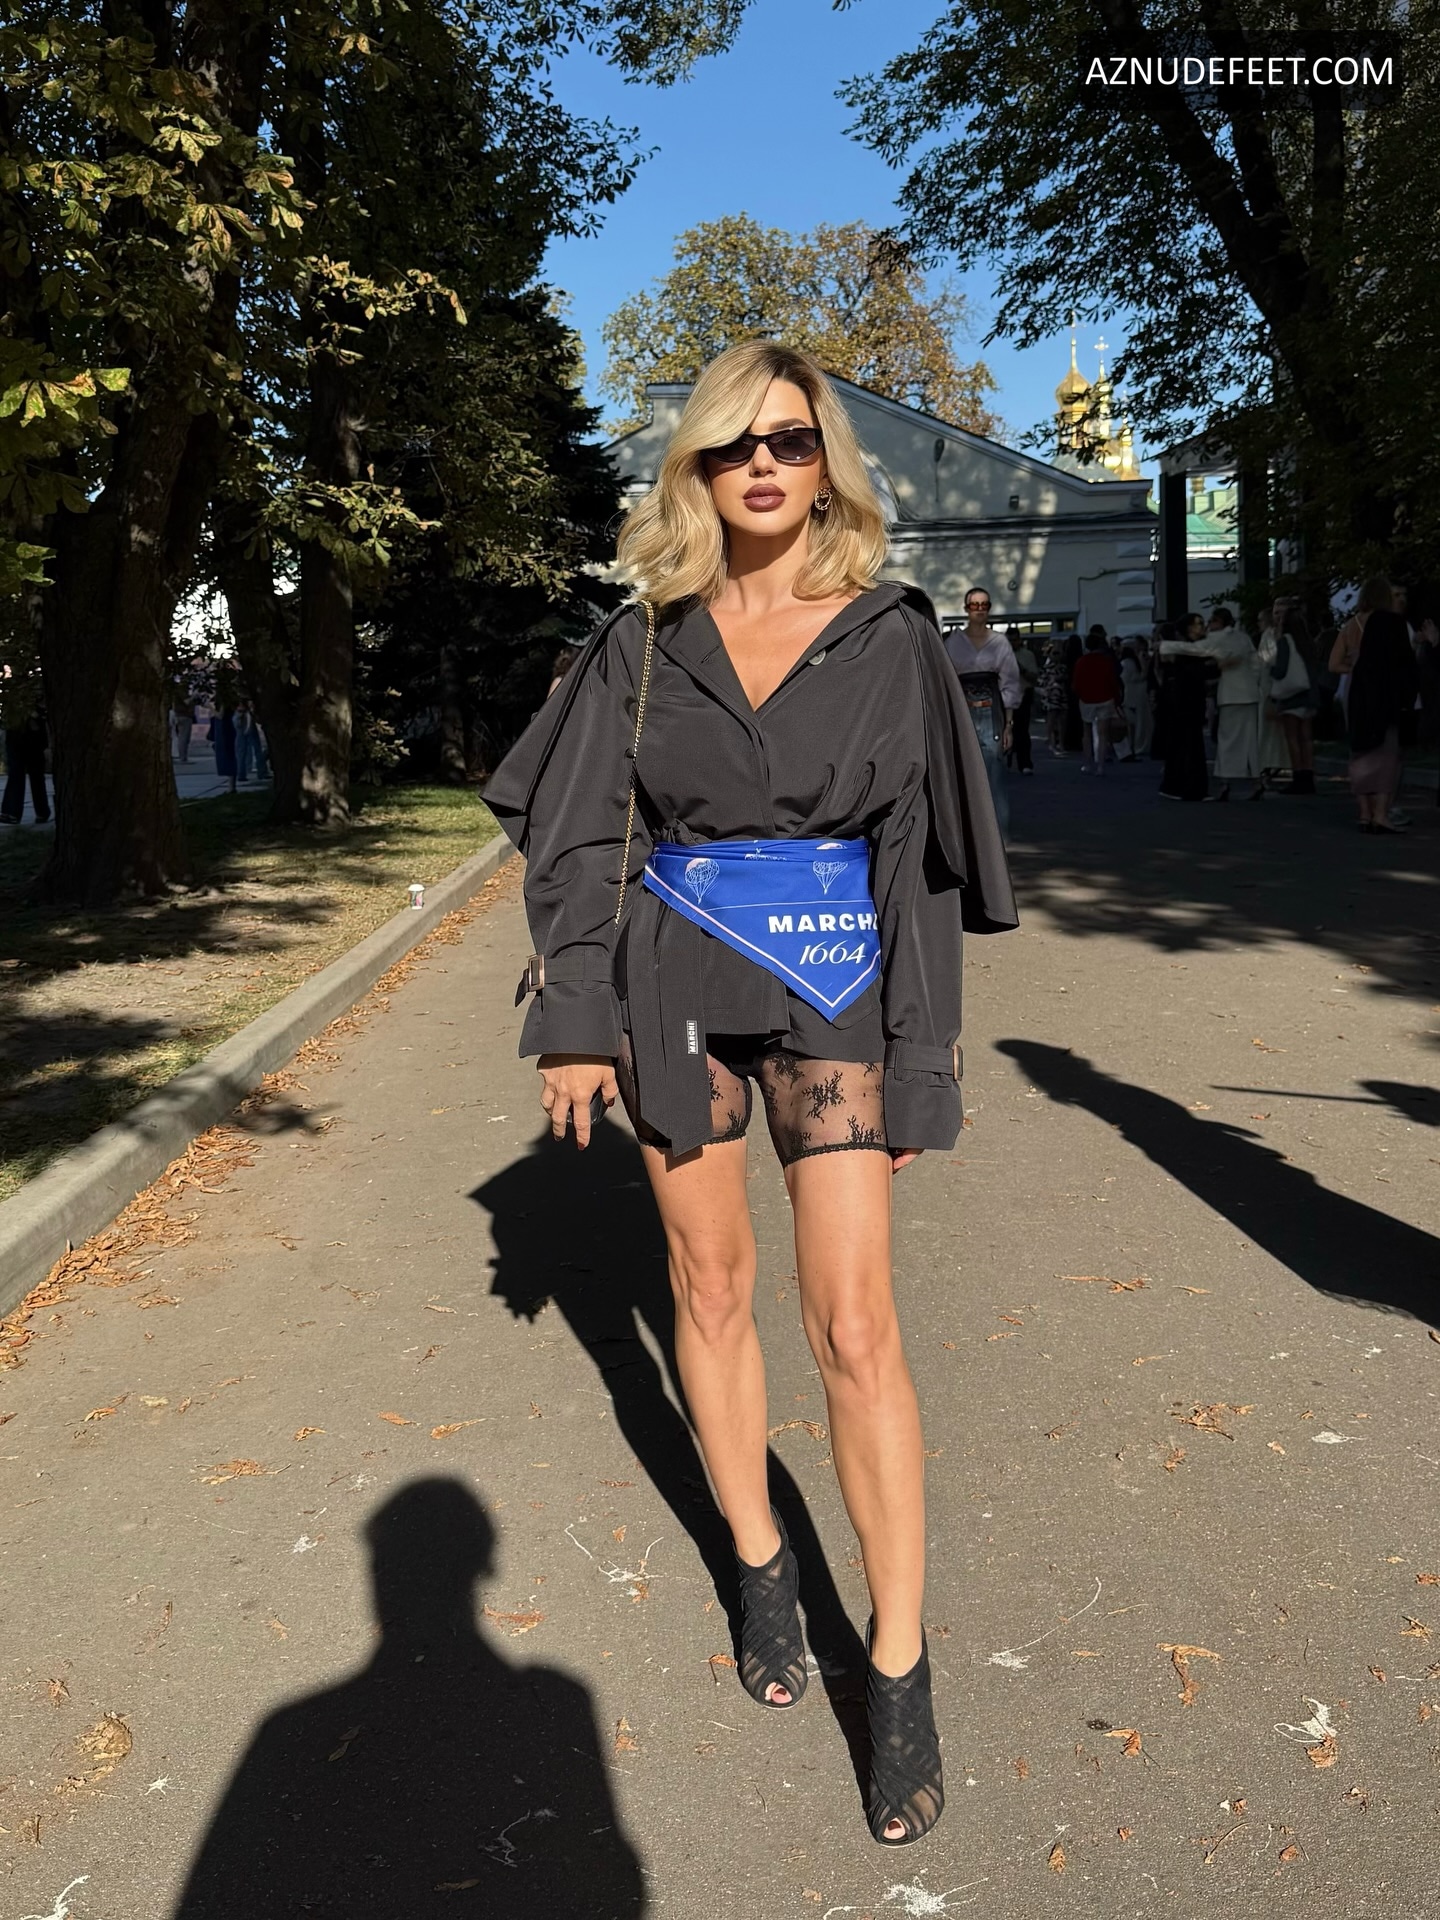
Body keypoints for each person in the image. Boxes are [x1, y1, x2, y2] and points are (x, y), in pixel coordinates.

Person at [485, 340, 1017, 1849]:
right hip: (675, 980)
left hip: (836, 990)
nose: (762, 466)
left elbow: (917, 868)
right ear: (698, 471)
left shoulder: (892, 636)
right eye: (732, 446)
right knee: (708, 1289)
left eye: (788, 440)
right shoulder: (643, 642)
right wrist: (574, 1020)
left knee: (854, 1321)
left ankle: (898, 1660)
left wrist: (925, 1059)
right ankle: (762, 1559)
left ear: (825, 461)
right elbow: (581, 839)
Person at [943, 588, 1020, 836]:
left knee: (995, 776)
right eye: (974, 605)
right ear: (966, 609)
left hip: (992, 714)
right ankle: (967, 838)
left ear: (989, 608)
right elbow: (944, 684)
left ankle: (999, 838)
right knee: (962, 776)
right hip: (961, 715)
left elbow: (1010, 684)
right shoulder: (953, 643)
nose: (979, 609)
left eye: (984, 605)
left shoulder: (1000, 643)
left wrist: (1009, 725)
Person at [1174, 607, 1264, 801]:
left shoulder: (1214, 639)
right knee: (1250, 739)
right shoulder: (1243, 638)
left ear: (1218, 622)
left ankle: (1226, 782)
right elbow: (1256, 665)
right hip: (1249, 693)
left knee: (1227, 740)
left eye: (1211, 622)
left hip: (1229, 694)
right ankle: (1257, 779)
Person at [1346, 608, 1420, 833]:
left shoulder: (1363, 661)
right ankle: (1380, 814)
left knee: (1361, 763)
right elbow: (1410, 689)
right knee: (1387, 763)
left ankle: (1365, 813)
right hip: (1388, 717)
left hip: (1362, 719)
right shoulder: (1399, 661)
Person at [1156, 613, 1211, 800]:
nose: (1202, 627)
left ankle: (1176, 785)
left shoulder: (1187, 649)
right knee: (1189, 746)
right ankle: (1189, 788)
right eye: (1198, 624)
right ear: (1188, 628)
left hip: (1186, 702)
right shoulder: (1185, 650)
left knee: (1183, 745)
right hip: (1185, 702)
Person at [1270, 602, 1319, 793]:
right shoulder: (1308, 642)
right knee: (1306, 738)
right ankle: (1308, 776)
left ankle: (1298, 776)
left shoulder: (1285, 641)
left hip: (1292, 695)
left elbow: (1280, 670)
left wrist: (1269, 667)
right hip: (1309, 693)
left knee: (1292, 737)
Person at [1071, 630, 1122, 775]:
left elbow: (1076, 683)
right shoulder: (1106, 661)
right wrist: (1116, 698)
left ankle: (1087, 763)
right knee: (1103, 733)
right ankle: (1100, 765)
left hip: (1087, 699)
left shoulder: (1081, 662)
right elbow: (1112, 681)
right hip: (1105, 698)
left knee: (1087, 732)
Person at [1005, 628, 1038, 774]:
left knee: (1022, 730)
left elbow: (1034, 677)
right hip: (1005, 693)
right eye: (1009, 641)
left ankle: (1024, 763)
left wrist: (1021, 669)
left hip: (1023, 693)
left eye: (1014, 640)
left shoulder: (1027, 655)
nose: (1012, 643)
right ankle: (1006, 760)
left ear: (1019, 640)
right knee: (1005, 728)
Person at [1119, 639, 1153, 758]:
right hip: (1140, 692)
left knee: (1133, 722)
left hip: (1129, 693)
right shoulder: (1135, 662)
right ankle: (1140, 744)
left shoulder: (1124, 663)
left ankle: (1134, 745)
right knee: (1141, 721)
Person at [1039, 640, 1069, 755]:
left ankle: (1061, 743)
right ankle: (1051, 742)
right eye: (1054, 653)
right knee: (1051, 719)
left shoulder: (1064, 667)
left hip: (1061, 694)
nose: (1057, 656)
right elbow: (1041, 681)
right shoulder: (1047, 668)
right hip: (1051, 695)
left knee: (1062, 720)